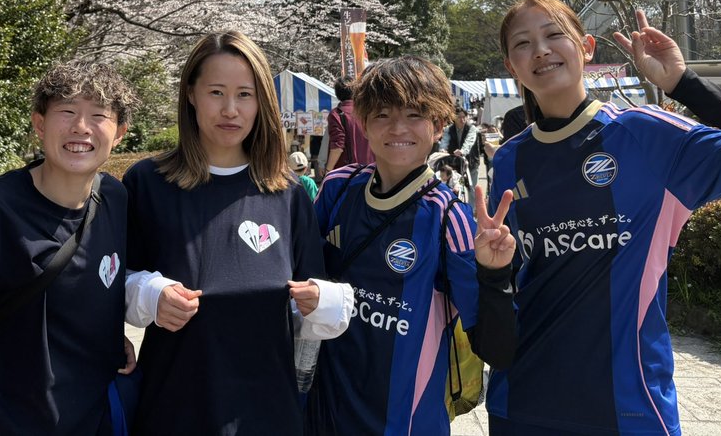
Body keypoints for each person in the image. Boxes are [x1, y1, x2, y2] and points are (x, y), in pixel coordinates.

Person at [487, 0, 721, 436]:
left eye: (554, 34)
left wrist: (684, 83)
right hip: (522, 402)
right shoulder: (508, 160)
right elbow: (505, 282)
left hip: (629, 406)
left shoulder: (648, 136)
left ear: (587, 47)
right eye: (523, 43)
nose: (540, 50)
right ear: (511, 66)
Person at [123, 31, 350, 436]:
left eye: (245, 94)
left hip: (268, 413)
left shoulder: (288, 193)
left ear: (262, 102)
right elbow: (109, 282)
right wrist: (149, 294)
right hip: (173, 410)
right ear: (191, 94)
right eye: (216, 92)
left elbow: (313, 299)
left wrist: (324, 301)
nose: (230, 109)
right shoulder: (148, 183)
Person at [306, 56, 516, 436]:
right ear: (363, 124)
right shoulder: (338, 188)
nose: (398, 127)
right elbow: (299, 274)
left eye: (415, 114)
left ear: (438, 126)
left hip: (406, 424)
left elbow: (497, 349)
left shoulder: (447, 217)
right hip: (324, 415)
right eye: (382, 114)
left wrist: (494, 273)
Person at [0, 61, 138, 435]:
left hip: (96, 421)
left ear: (120, 133)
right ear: (39, 124)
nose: (81, 126)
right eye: (67, 111)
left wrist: (109, 335)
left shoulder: (115, 197)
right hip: (6, 423)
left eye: (98, 115)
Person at [325, 75, 373, 172]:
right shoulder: (368, 111)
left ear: (337, 93)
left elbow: (338, 147)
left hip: (348, 172)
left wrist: (328, 170)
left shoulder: (336, 114)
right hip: (371, 169)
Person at [439, 105, 480, 189]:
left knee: (472, 189)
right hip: (456, 165)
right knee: (458, 188)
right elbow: (444, 141)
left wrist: (462, 151)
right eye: (459, 117)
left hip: (471, 163)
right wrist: (442, 149)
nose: (462, 120)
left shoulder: (471, 128)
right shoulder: (449, 129)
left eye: (464, 117)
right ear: (453, 118)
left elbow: (469, 141)